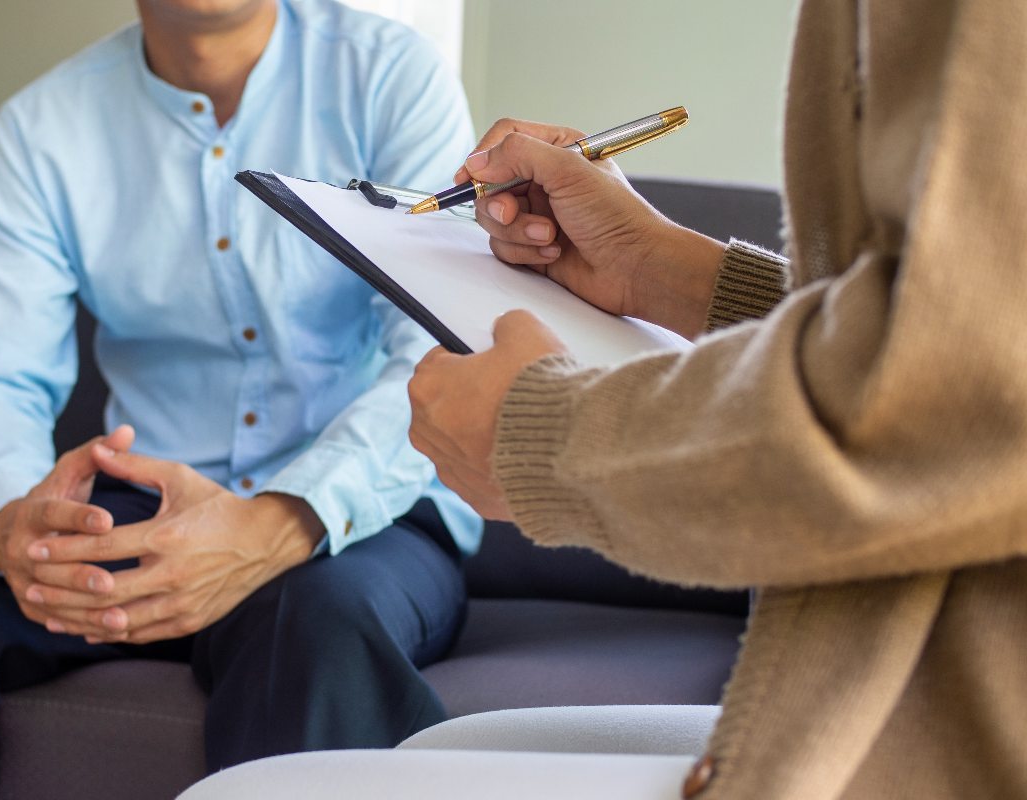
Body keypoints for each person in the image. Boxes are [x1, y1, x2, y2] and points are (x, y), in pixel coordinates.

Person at [174, 0, 1027, 798]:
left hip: (960, 721)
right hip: (878, 674)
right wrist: (667, 272)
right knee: (431, 759)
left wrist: (549, 438)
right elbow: (954, 325)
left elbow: (965, 397)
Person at [0, 0, 482, 797]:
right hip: (148, 509)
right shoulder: (43, 128)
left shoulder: (388, 75)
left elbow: (438, 356)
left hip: (359, 518)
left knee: (314, 619)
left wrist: (280, 521)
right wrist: (10, 526)